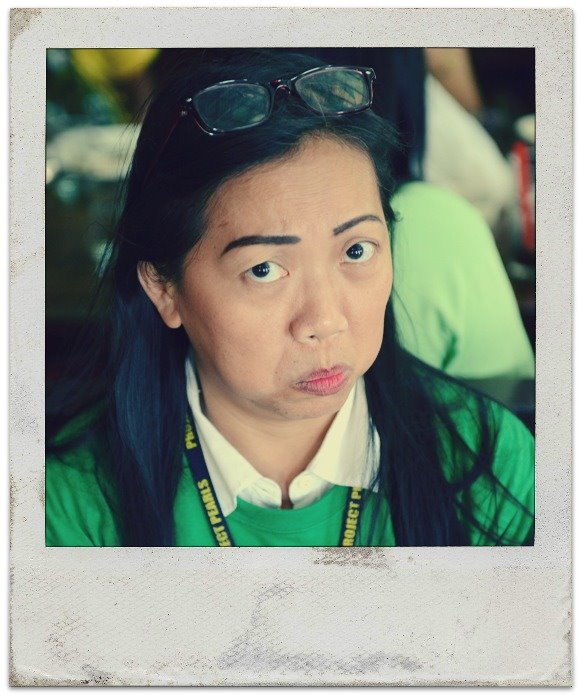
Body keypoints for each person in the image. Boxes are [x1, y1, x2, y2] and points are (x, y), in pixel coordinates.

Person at [46, 50, 534, 547]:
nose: (324, 320)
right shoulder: (69, 506)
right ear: (164, 289)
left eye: (356, 250)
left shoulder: (488, 465)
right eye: (263, 270)